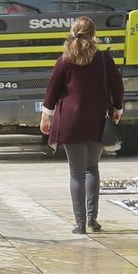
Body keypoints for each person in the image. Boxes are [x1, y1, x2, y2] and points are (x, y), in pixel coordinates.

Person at [41, 17, 123, 235]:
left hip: (70, 121)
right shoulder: (104, 59)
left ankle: (79, 224)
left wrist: (46, 116)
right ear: (93, 34)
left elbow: (52, 91)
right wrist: (118, 109)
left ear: (72, 32)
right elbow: (118, 87)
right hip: (98, 120)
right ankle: (92, 220)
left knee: (76, 174)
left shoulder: (64, 60)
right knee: (92, 169)